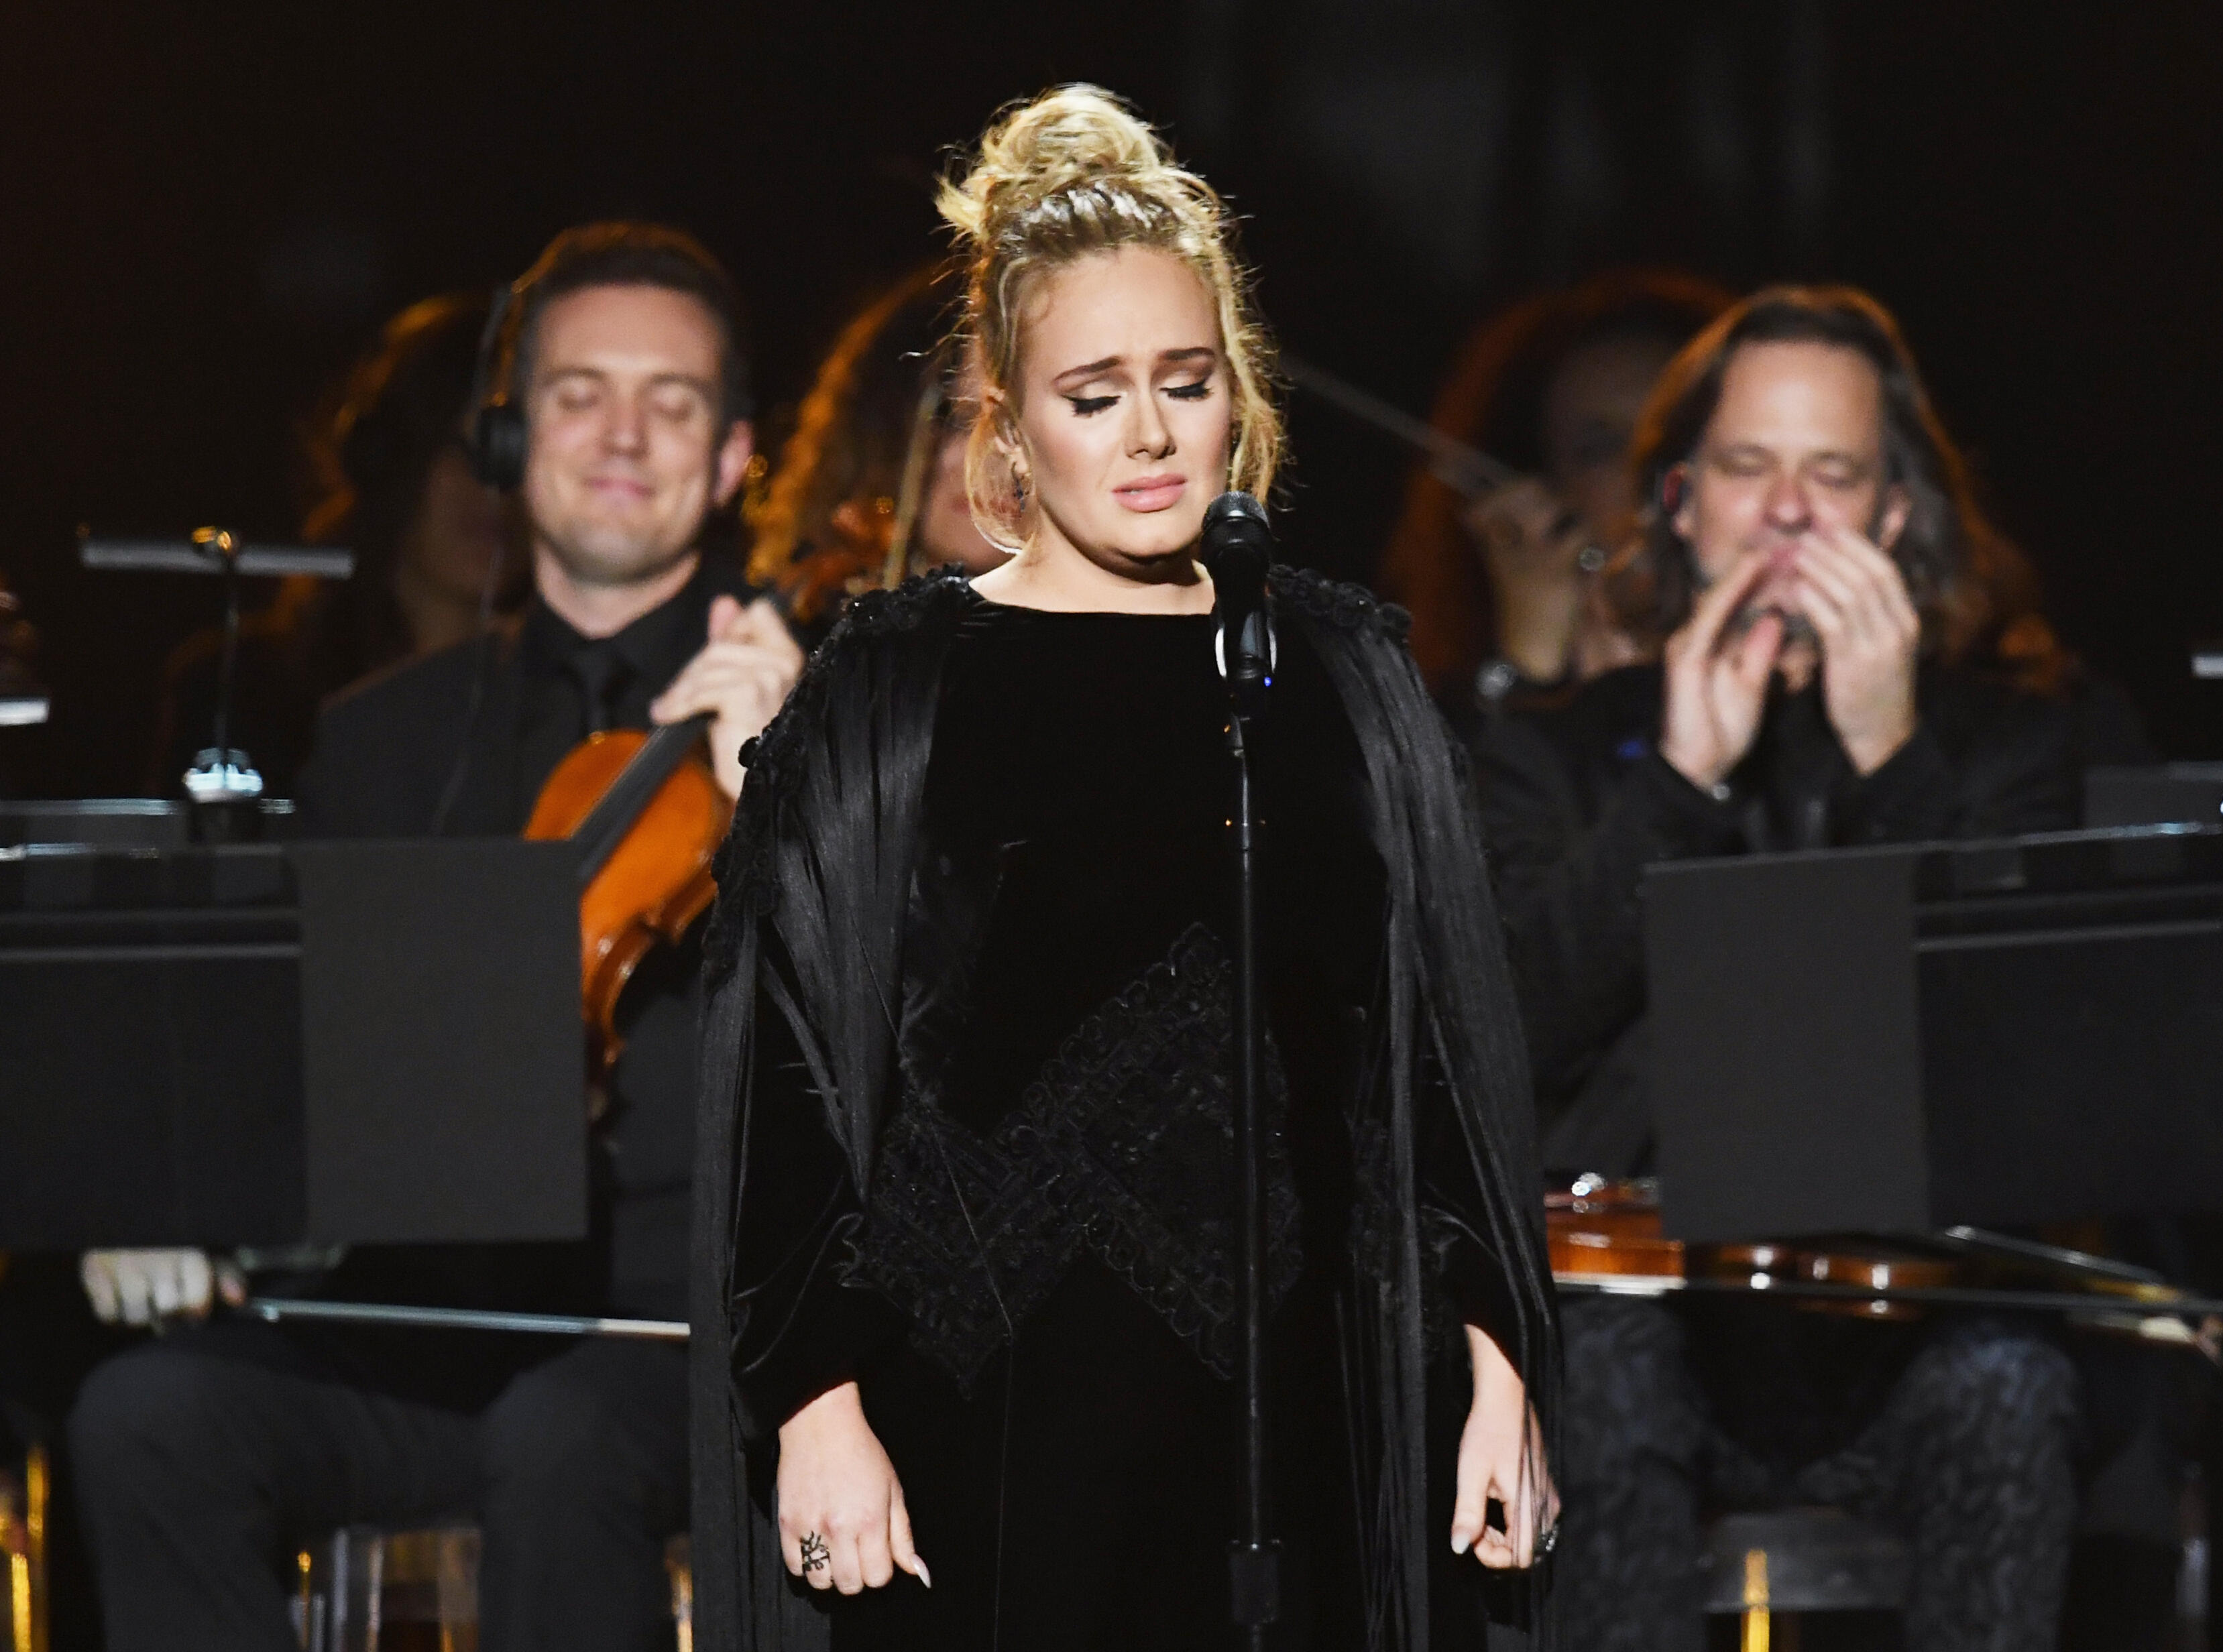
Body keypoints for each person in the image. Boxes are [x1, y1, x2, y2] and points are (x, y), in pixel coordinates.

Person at [691, 86, 1558, 1652]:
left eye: (1187, 381)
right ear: (1010, 428)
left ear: (1243, 394)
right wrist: (815, 1402)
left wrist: (1499, 1362)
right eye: (1095, 395)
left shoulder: (1339, 679)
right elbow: (792, 1075)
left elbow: (1437, 1057)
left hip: (1314, 1405)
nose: (1153, 436)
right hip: (989, 1421)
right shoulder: (899, 692)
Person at [68, 221, 806, 1652]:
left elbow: (878, 1048)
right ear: (506, 430)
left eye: (675, 402)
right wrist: (170, 1197)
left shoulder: (807, 715)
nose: (622, 435)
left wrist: (780, 796)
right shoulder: (381, 733)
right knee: (147, 1415)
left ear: (731, 459)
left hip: (680, 1347)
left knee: (560, 1438)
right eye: (582, 391)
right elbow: (287, 1064)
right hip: (431, 1330)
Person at [1473, 286, 2085, 1652]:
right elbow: (1513, 1033)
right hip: (1648, 1329)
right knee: (1604, 1365)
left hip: (1898, 1337)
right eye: (1750, 468)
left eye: (1835, 472)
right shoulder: (1556, 750)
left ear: (1898, 513)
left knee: (2012, 1380)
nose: (1790, 511)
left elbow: (2023, 1066)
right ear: (1682, 502)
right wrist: (1677, 788)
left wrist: (1893, 764)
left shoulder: (2005, 744)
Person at [150, 292, 526, 799]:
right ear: (389, 458)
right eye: (474, 452)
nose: (496, 491)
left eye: (518, 460)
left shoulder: (575, 704)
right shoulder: (242, 691)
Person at [1381, 269, 1732, 729]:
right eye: (1602, 448)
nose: (1650, 471)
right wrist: (1527, 667)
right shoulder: (1437, 721)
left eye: (1681, 434)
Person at [746, 261, 1009, 593]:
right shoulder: (801, 630)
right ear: (879, 440)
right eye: (957, 420)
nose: (994, 454)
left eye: (1015, 423)